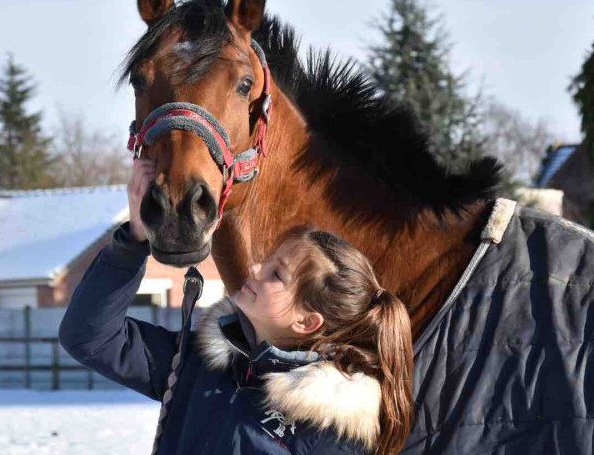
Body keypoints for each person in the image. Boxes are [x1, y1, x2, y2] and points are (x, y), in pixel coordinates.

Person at [59, 159, 414, 454]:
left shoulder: (330, 431)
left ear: (307, 321)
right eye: (268, 260)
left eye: (277, 274)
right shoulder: (197, 361)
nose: (256, 269)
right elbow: (89, 338)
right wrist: (135, 239)